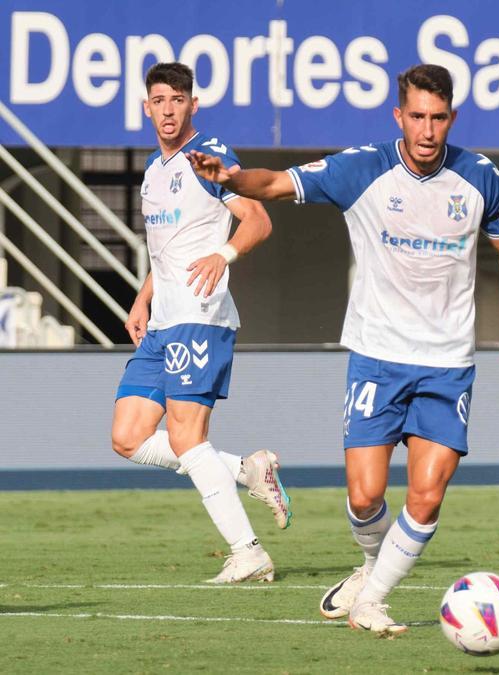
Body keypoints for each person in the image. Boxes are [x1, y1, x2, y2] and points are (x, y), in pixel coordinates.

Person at [188, 64, 499, 633]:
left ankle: (373, 599)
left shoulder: (479, 176)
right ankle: (372, 567)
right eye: (418, 116)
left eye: (439, 118)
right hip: (378, 356)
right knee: (365, 495)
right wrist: (229, 178)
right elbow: (275, 184)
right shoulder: (362, 168)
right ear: (399, 116)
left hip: (448, 365)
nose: (428, 130)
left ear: (452, 118)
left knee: (425, 496)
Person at [110, 62, 289, 584]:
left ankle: (248, 551)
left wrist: (225, 255)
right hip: (163, 320)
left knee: (188, 439)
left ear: (193, 104)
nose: (168, 109)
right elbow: (164, 250)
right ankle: (243, 469)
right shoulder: (152, 169)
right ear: (147, 107)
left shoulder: (207, 156)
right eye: (158, 100)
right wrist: (142, 298)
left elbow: (259, 219)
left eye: (177, 100)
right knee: (127, 437)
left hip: (200, 317)